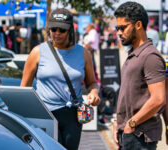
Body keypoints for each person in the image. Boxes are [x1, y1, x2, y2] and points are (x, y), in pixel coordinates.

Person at [20, 8, 100, 150]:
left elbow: (92, 82)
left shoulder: (83, 53)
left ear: (70, 30)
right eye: (53, 29)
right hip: (45, 115)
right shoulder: (38, 52)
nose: (57, 33)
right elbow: (24, 88)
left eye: (62, 30)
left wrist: (94, 93)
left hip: (73, 116)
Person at [113, 2, 166, 150]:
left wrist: (131, 124)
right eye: (117, 28)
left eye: (123, 28)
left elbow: (159, 98)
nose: (118, 32)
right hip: (129, 133)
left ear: (138, 25)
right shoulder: (134, 53)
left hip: (140, 136)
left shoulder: (150, 56)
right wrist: (118, 122)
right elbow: (128, 95)